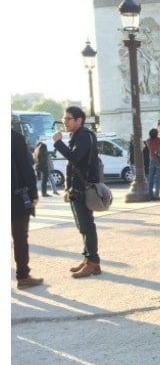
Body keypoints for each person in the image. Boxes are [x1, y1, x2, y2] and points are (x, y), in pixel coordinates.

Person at [52, 106, 102, 278]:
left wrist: (58, 142)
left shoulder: (85, 136)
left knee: (87, 225)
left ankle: (93, 262)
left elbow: (74, 158)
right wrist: (67, 188)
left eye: (68, 119)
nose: (64, 122)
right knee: (83, 226)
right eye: (64, 118)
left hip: (84, 188)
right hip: (77, 188)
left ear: (78, 120)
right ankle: (88, 259)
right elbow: (71, 166)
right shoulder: (78, 135)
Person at [12, 128, 43, 289]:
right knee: (20, 238)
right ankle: (23, 276)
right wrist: (33, 193)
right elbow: (25, 167)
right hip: (15, 197)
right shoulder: (15, 138)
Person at [145, 127, 160, 201]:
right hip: (158, 160)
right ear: (157, 134)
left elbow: (149, 145)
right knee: (157, 179)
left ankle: (150, 195)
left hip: (151, 160)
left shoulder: (148, 141)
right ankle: (157, 195)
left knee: (150, 179)